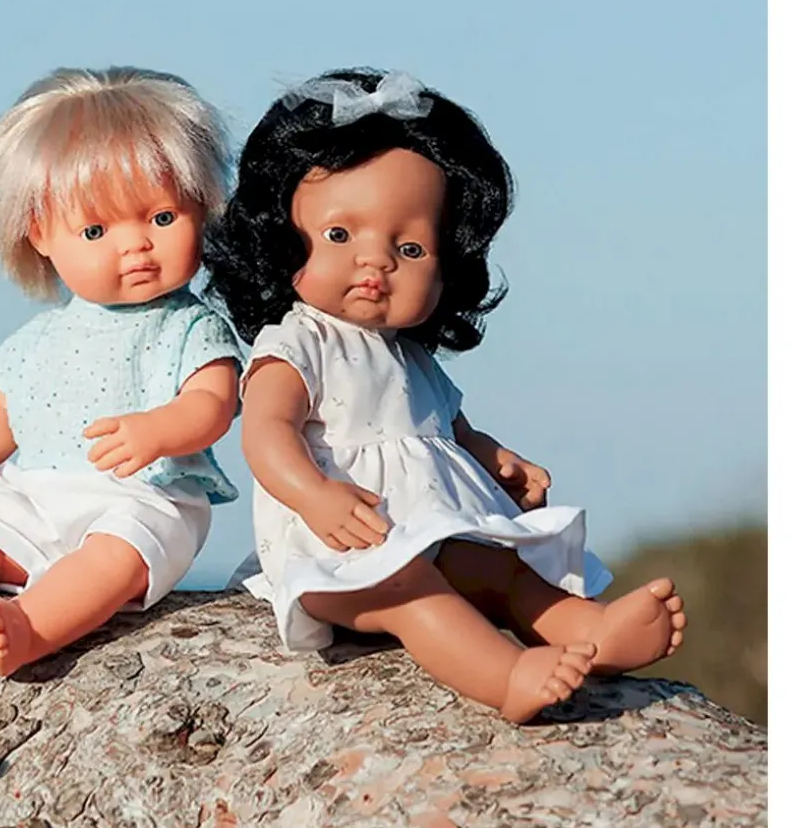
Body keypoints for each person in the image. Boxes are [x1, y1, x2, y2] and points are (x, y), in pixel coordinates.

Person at [204, 69, 686, 723]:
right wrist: (314, 494)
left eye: (409, 247)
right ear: (280, 240)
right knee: (414, 590)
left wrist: (498, 461)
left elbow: (452, 429)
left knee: (502, 571)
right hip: (341, 554)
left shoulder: (411, 357)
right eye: (341, 235)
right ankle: (507, 676)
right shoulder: (299, 343)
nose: (376, 262)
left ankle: (591, 632)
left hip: (425, 533)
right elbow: (266, 432)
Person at [0, 66, 241, 677]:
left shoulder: (190, 327)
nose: (136, 245)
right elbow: (7, 408)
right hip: (35, 491)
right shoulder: (42, 338)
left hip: (146, 493)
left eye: (162, 218)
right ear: (40, 236)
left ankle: (31, 626)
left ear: (202, 208)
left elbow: (213, 403)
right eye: (96, 230)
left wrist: (159, 430)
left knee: (116, 555)